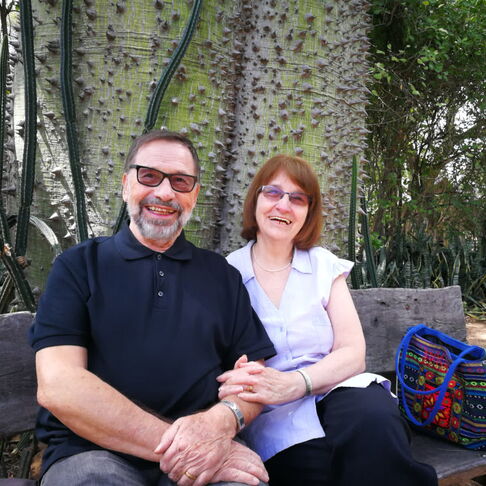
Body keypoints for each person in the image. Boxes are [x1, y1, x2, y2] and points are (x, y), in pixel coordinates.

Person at [29, 131, 276, 486]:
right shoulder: (79, 266)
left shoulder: (222, 276)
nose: (164, 192)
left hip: (206, 457)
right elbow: (59, 385)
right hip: (91, 453)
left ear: (194, 194)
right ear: (125, 184)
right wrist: (186, 446)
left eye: (180, 181)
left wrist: (221, 421)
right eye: (149, 176)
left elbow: (252, 377)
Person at [218, 154, 438, 486]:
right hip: (273, 414)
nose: (283, 205)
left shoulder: (323, 265)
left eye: (297, 198)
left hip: (336, 389)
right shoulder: (227, 274)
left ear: (308, 212)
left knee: (376, 424)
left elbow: (352, 352)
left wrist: (296, 383)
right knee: (317, 465)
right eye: (273, 192)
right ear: (255, 200)